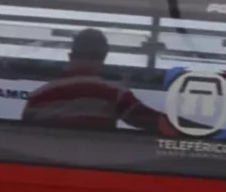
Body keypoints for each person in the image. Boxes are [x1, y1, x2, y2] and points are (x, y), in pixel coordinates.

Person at [22, 27, 169, 132]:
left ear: (71, 55)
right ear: (103, 56)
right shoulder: (112, 93)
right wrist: (188, 128)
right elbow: (153, 121)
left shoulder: (38, 96)